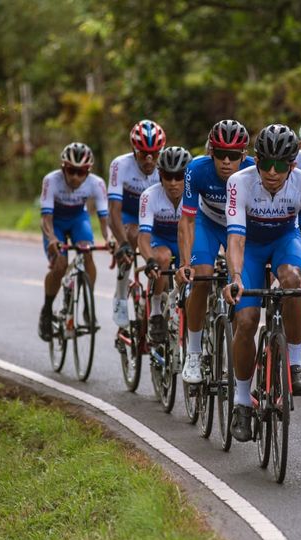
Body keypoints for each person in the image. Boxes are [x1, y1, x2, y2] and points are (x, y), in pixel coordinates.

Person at [222, 124, 301, 442]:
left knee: (293, 281)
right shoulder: (239, 182)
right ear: (256, 162)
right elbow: (235, 238)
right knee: (246, 321)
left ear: (292, 165)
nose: (272, 172)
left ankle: (295, 362)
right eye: (266, 164)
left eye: (280, 165)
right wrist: (237, 278)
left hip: (285, 240)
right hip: (251, 247)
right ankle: (242, 402)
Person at [176, 120, 254, 384]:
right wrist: (185, 263)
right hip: (207, 223)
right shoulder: (196, 169)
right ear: (211, 151)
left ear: (243, 155)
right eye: (220, 154)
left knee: (247, 283)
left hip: (241, 226)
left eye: (233, 156)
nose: (226, 161)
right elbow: (186, 221)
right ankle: (194, 351)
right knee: (202, 276)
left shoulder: (255, 170)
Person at [38, 142, 111, 341]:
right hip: (56, 224)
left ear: (89, 171)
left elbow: (105, 219)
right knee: (60, 265)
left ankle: (88, 307)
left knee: (87, 253)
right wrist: (52, 238)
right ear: (63, 168)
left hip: (79, 219)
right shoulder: (51, 181)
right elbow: (46, 218)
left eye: (81, 172)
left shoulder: (96, 183)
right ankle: (47, 310)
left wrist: (109, 238)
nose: (75, 177)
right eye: (71, 171)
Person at [109, 119, 166, 327]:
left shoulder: (166, 165)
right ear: (134, 151)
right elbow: (113, 210)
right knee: (131, 237)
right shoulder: (120, 165)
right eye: (143, 154)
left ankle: (153, 298)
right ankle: (121, 295)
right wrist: (122, 242)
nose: (149, 160)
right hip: (128, 216)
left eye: (155, 154)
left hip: (155, 216)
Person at [138, 146, 192, 343]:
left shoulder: (196, 194)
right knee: (162, 258)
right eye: (168, 177)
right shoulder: (149, 196)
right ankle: (156, 311)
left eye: (179, 176)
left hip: (186, 239)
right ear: (160, 175)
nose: (173, 183)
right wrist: (149, 260)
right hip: (161, 240)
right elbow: (143, 237)